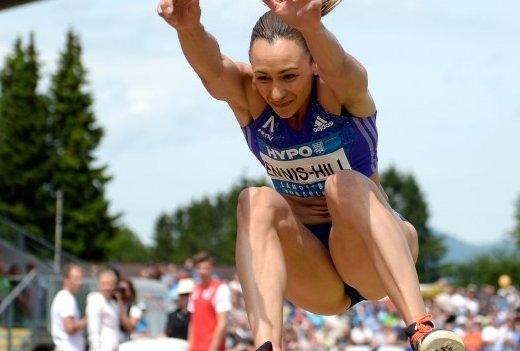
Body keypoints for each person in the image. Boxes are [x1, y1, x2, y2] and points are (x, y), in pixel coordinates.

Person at [157, 1, 465, 350]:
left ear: (314, 66)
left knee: (343, 183)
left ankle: (422, 330)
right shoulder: (249, 96)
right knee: (254, 200)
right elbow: (213, 70)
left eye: (288, 76)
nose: (276, 93)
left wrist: (312, 28)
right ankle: (266, 345)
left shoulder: (340, 90)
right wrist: (188, 28)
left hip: (370, 256)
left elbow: (341, 67)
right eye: (264, 77)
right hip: (315, 272)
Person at [186, 252, 232, 351]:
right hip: (196, 347)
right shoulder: (195, 289)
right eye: (199, 268)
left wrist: (213, 348)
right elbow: (193, 322)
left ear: (211, 268)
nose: (202, 272)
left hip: (213, 347)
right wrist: (190, 346)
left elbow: (222, 323)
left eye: (206, 268)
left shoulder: (220, 288)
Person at [50, 264, 87, 351]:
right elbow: (70, 327)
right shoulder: (66, 299)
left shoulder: (65, 297)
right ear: (66, 280)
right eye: (76, 279)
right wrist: (88, 319)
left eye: (81, 278)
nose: (80, 282)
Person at [86, 269, 120, 351]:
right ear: (99, 285)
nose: (107, 287)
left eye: (110, 284)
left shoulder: (113, 303)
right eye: (104, 284)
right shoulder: (96, 300)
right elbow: (93, 330)